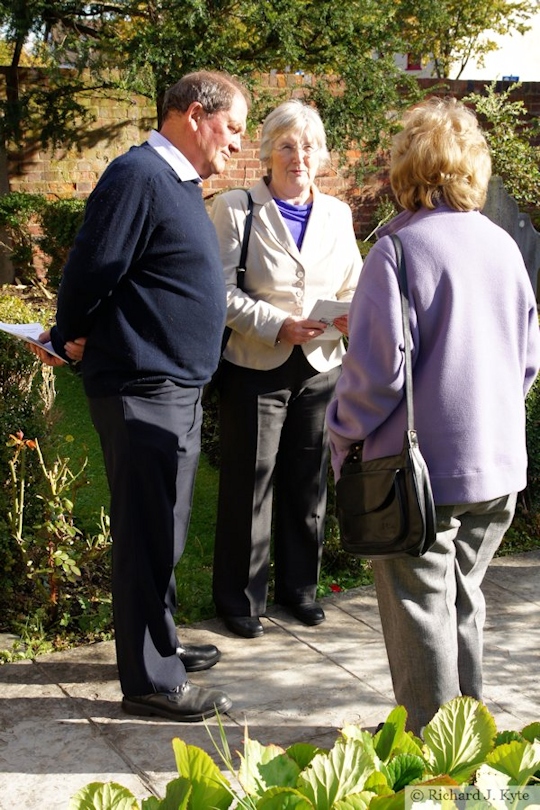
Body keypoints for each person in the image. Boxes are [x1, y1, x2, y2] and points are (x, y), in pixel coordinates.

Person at [30, 70, 250, 723]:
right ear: (192, 113)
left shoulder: (176, 182)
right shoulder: (138, 176)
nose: (236, 143)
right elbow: (92, 269)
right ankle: (151, 680)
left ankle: (162, 642)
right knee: (148, 528)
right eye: (232, 126)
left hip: (170, 385)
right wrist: (68, 334)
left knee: (166, 526)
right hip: (140, 384)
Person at [326, 96, 540, 735]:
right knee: (461, 600)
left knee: (422, 610)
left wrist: (340, 437)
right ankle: (472, 743)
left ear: (405, 169)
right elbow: (527, 359)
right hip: (498, 470)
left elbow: (374, 378)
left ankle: (434, 761)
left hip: (417, 477)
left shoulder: (396, 252)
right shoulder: (503, 246)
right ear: (472, 169)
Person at [211, 99, 363, 639]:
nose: (299, 156)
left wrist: (346, 315)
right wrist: (278, 323)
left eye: (308, 146)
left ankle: (300, 590)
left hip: (322, 366)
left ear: (321, 155)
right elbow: (218, 293)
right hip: (256, 363)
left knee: (309, 485)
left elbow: (352, 285)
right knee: (250, 484)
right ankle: (240, 600)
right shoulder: (235, 208)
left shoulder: (339, 214)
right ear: (268, 152)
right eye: (287, 145)